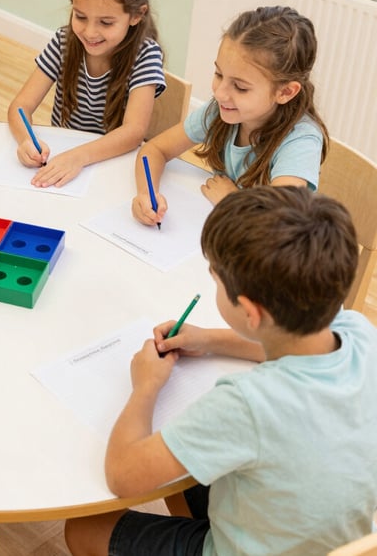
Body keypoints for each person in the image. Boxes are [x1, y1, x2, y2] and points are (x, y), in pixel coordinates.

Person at [64, 185, 377, 556]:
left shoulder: (246, 405)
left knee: (84, 528)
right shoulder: (358, 330)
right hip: (337, 540)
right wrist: (211, 340)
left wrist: (145, 386)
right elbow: (293, 346)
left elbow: (124, 476)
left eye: (215, 281)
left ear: (250, 311)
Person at [132, 5, 329, 227]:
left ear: (285, 92)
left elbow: (279, 225)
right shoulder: (221, 109)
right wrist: (146, 194)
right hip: (223, 231)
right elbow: (153, 150)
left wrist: (232, 200)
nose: (220, 92)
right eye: (219, 74)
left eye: (240, 87)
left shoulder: (300, 142)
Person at [8, 0, 165, 188]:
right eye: (80, 16)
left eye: (106, 22)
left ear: (136, 15)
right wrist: (26, 140)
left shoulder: (146, 56)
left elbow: (133, 132)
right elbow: (20, 106)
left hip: (112, 166)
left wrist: (78, 157)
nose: (90, 32)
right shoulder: (63, 43)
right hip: (65, 163)